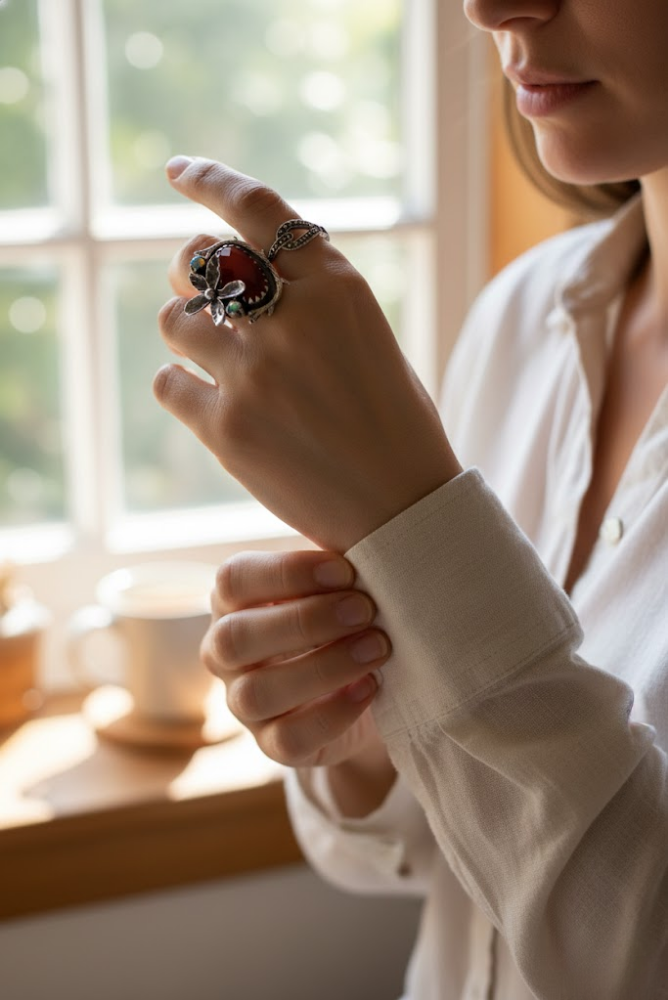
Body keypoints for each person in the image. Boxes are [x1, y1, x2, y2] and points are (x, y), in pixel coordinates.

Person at [154, 1, 668, 996]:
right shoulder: (522, 314)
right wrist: (368, 740)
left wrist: (409, 515)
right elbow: (435, 860)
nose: (486, 7)